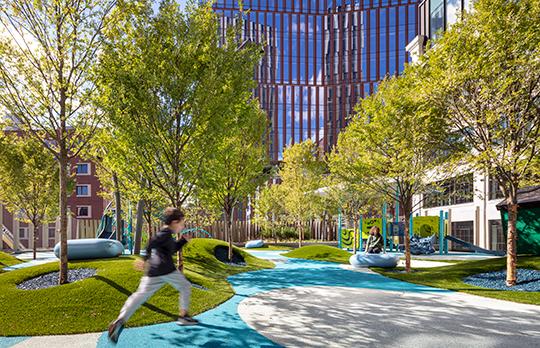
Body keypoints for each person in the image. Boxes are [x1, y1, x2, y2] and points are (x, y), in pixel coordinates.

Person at [108, 207, 197, 344]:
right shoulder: (166, 233)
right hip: (165, 269)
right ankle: (184, 316)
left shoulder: (165, 233)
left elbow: (167, 248)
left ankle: (120, 320)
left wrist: (181, 241)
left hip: (153, 271)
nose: (183, 226)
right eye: (182, 223)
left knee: (139, 295)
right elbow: (152, 243)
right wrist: (143, 258)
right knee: (185, 286)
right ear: (174, 222)